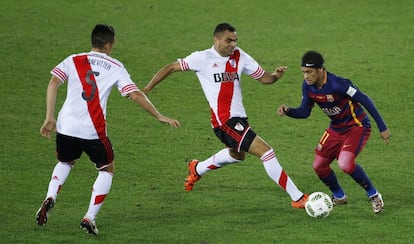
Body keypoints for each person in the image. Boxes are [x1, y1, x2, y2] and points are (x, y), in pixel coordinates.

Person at [143, 23, 308, 208]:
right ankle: (297, 197)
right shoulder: (202, 58)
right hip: (224, 121)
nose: (233, 44)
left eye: (235, 41)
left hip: (239, 118)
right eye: (229, 40)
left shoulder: (240, 56)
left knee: (237, 155)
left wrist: (276, 75)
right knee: (266, 151)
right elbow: (171, 68)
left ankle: (197, 168)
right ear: (217, 39)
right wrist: (148, 88)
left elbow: (264, 78)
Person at [36, 24, 180, 235]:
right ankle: (89, 217)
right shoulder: (115, 66)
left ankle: (50, 197)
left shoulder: (73, 59)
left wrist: (49, 117)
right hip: (93, 130)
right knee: (106, 169)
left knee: (65, 161)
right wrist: (159, 115)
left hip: (65, 126)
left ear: (92, 41)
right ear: (109, 44)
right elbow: (135, 95)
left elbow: (53, 83)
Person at [277, 50, 390, 214]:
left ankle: (374, 195)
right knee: (319, 166)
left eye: (309, 72)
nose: (306, 76)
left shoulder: (338, 84)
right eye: (303, 72)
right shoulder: (308, 87)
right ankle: (339, 196)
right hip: (335, 128)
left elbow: (365, 99)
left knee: (345, 163)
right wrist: (288, 111)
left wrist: (382, 127)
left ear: (320, 70)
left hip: (356, 126)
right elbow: (304, 112)